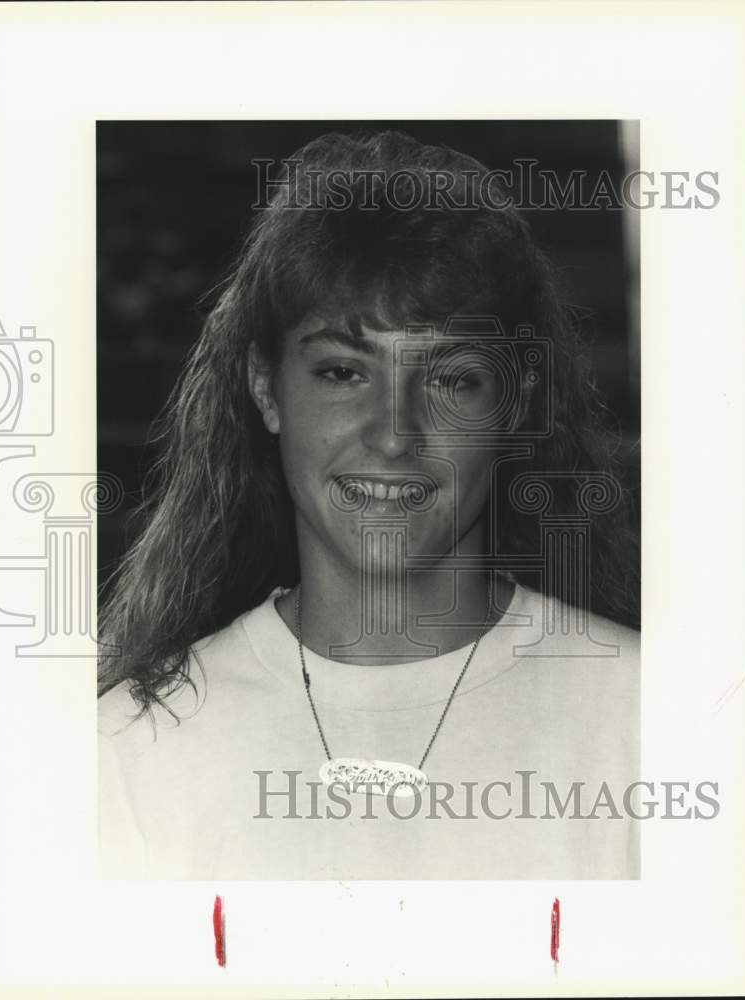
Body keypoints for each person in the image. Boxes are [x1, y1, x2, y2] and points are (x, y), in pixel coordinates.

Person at [98, 129, 640, 880]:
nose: (393, 435)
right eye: (341, 372)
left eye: (450, 378)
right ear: (265, 388)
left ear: (512, 405)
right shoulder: (131, 745)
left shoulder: (657, 718)